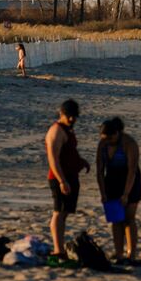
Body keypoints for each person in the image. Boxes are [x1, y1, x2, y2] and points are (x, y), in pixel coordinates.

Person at [95, 117, 141, 263]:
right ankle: (119, 254)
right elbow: (99, 171)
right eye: (105, 138)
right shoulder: (102, 145)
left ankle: (131, 254)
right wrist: (103, 193)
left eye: (110, 138)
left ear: (117, 133)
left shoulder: (129, 144)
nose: (108, 141)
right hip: (112, 181)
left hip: (130, 181)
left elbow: (132, 171)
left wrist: (126, 194)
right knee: (116, 220)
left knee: (129, 219)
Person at [45, 100, 87, 262]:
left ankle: (60, 248)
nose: (72, 120)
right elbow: (53, 159)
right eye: (69, 116)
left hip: (70, 177)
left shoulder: (67, 130)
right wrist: (62, 180)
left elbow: (69, 152)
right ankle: (58, 250)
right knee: (59, 212)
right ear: (61, 114)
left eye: (74, 117)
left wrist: (81, 162)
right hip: (59, 178)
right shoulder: (56, 131)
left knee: (64, 213)